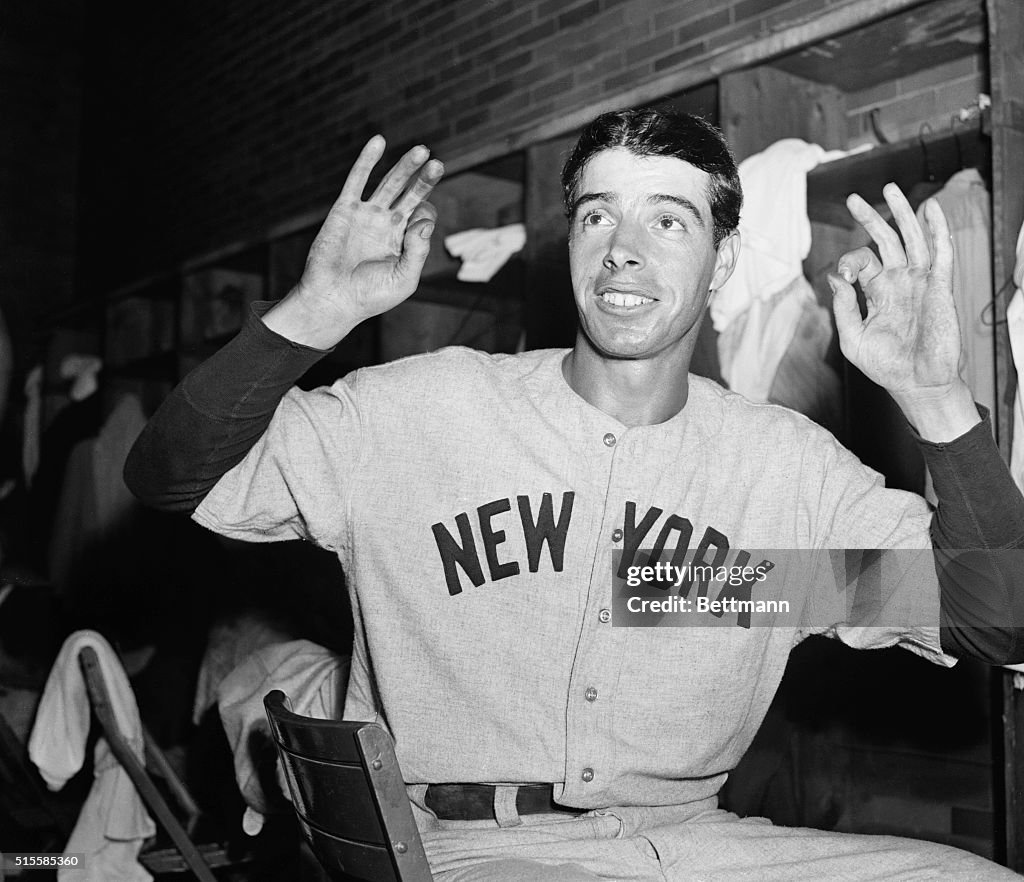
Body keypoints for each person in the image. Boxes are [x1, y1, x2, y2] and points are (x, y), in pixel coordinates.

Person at [126, 109, 1024, 880]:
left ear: (722, 264)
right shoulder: (422, 412)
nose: (623, 252)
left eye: (669, 223)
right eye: (599, 217)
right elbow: (171, 475)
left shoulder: (780, 470)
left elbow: (999, 620)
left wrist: (934, 397)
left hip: (693, 849)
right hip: (462, 848)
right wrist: (315, 311)